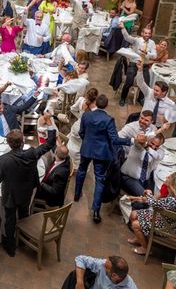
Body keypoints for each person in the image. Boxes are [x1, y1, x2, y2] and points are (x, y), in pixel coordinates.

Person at [0, 128, 57, 257]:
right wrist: (50, 126)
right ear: (22, 142)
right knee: (24, 215)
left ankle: (10, 247)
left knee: (10, 221)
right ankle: (23, 240)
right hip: (26, 192)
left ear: (9, 143)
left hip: (11, 195)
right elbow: (49, 144)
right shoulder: (32, 153)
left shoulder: (2, 160)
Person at [74, 94, 133, 223]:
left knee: (81, 170)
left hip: (87, 149)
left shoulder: (86, 115)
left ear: (95, 103)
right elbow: (115, 139)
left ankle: (76, 195)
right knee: (100, 180)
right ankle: (95, 211)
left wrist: (88, 142)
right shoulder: (108, 119)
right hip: (101, 153)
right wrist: (132, 140)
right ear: (106, 105)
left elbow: (81, 132)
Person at [127, 175, 176, 256]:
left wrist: (149, 193)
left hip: (165, 228)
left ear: (172, 183)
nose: (166, 177)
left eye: (169, 177)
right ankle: (139, 239)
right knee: (134, 214)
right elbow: (156, 203)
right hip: (162, 220)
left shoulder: (172, 200)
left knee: (135, 224)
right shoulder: (172, 196)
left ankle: (145, 248)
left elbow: (154, 204)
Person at [118, 23, 156, 106]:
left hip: (144, 66)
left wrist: (147, 53)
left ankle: (141, 98)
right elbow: (127, 37)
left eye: (149, 33)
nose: (147, 35)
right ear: (142, 33)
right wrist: (123, 28)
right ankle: (123, 98)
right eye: (145, 33)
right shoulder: (137, 40)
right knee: (129, 82)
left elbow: (154, 55)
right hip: (134, 64)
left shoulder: (152, 43)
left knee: (146, 83)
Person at [129, 60, 175, 125]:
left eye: (157, 91)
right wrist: (140, 70)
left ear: (164, 92)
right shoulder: (149, 92)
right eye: (154, 89)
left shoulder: (170, 104)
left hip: (156, 127)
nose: (154, 92)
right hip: (142, 122)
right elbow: (140, 83)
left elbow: (170, 119)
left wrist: (165, 118)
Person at [61, 255, 137, 289]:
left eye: (106, 270)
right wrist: (80, 283)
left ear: (114, 275)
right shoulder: (104, 264)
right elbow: (80, 259)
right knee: (74, 275)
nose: (103, 265)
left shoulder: (130, 287)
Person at [68, 88, 99, 166]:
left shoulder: (81, 100)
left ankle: (70, 159)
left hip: (77, 126)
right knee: (81, 146)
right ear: (95, 98)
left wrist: (79, 117)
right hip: (87, 129)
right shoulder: (96, 109)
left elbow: (72, 109)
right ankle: (78, 164)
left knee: (72, 143)